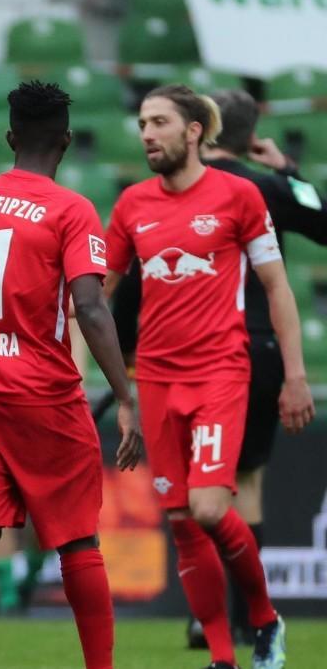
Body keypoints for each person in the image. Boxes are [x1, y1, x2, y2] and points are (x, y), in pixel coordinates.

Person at [104, 84, 314, 669]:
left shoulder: (239, 195)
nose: (147, 134)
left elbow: (277, 287)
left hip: (221, 371)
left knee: (209, 509)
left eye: (160, 122)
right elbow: (98, 296)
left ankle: (265, 619)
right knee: (181, 523)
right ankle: (223, 658)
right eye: (142, 123)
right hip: (156, 380)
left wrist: (296, 375)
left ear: (194, 131)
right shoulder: (131, 205)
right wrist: (115, 387)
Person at [0, 80, 142, 669]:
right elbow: (91, 307)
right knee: (77, 541)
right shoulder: (71, 210)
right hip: (44, 398)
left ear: (9, 138)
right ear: (67, 141)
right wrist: (125, 396)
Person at [195, 88, 327, 644]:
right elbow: (323, 221)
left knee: (196, 483)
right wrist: (288, 169)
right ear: (251, 136)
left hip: (194, 347)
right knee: (244, 482)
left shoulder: (183, 185)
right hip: (259, 343)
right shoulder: (270, 187)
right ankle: (245, 615)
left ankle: (206, 613)